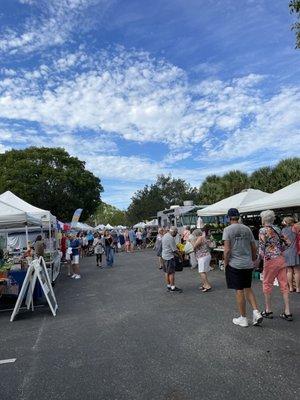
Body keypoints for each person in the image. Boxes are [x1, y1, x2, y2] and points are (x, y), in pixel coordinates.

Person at [223, 208, 263, 327]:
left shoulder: (227, 230)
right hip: (247, 263)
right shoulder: (247, 229)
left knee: (239, 290)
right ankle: (256, 312)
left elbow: (227, 250)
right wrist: (253, 260)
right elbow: (254, 247)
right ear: (238, 217)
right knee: (248, 287)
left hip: (235, 264)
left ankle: (243, 318)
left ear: (228, 218)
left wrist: (226, 263)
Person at [259, 210, 292, 321]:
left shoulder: (263, 230)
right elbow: (287, 243)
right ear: (273, 219)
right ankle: (287, 312)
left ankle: (268, 310)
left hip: (270, 260)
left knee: (267, 283)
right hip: (281, 259)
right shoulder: (278, 229)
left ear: (263, 219)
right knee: (284, 284)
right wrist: (280, 251)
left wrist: (260, 259)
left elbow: (261, 248)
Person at [161, 226, 182, 293]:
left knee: (166, 272)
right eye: (176, 233)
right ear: (174, 232)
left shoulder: (165, 235)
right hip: (169, 257)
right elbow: (174, 250)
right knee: (171, 273)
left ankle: (168, 286)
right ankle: (173, 287)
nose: (176, 235)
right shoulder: (170, 238)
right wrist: (180, 256)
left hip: (164, 256)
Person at [282, 217, 300, 293]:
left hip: (286, 251)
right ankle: (298, 288)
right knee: (297, 271)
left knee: (289, 271)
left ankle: (291, 288)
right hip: (294, 251)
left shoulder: (283, 230)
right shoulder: (294, 228)